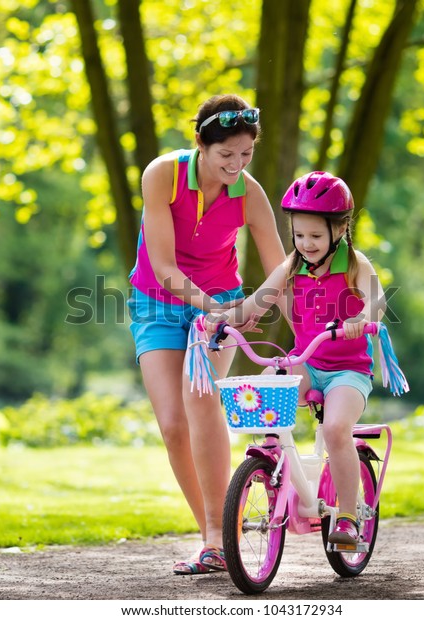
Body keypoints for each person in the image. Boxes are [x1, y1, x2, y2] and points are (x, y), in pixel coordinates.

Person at [127, 94, 286, 574]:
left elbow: (282, 265)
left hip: (216, 307)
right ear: (200, 144)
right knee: (173, 424)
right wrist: (221, 310)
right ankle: (213, 533)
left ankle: (218, 539)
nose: (237, 165)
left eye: (246, 155)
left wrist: (268, 310)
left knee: (200, 401)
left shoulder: (249, 193)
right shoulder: (162, 175)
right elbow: (165, 266)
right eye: (226, 155)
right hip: (157, 302)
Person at [205, 171, 386, 545]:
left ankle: (349, 518)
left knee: (336, 429)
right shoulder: (291, 267)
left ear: (340, 229)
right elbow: (257, 302)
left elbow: (378, 303)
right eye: (300, 235)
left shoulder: (356, 264)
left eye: (316, 236)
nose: (307, 244)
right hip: (306, 361)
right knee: (269, 389)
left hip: (348, 372)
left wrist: (361, 320)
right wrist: (221, 320)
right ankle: (272, 465)